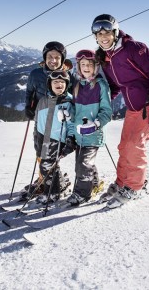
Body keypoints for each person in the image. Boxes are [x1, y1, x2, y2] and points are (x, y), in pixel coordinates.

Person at [91, 14, 149, 209]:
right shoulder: (106, 57)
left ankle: (136, 186)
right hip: (133, 106)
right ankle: (122, 183)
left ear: (115, 32)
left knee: (135, 145)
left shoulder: (134, 48)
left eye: (107, 32)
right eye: (99, 33)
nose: (103, 36)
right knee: (124, 146)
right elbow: (114, 86)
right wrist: (102, 104)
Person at [65, 49, 113, 206]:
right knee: (83, 162)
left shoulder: (101, 86)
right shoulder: (78, 85)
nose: (86, 67)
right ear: (78, 67)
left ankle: (82, 194)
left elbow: (107, 111)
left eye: (89, 64)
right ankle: (93, 184)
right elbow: (74, 109)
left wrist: (97, 124)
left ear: (96, 67)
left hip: (93, 134)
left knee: (83, 164)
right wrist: (68, 114)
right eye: (82, 64)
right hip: (80, 134)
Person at [21, 41, 68, 199]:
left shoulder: (68, 76)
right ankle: (45, 179)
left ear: (62, 59)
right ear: (44, 57)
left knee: (52, 152)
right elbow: (30, 91)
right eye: (50, 57)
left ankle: (50, 183)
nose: (53, 60)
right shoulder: (36, 74)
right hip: (40, 119)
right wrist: (28, 106)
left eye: (57, 57)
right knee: (40, 150)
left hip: (58, 121)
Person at [33, 70, 75, 204]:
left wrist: (71, 139)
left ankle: (52, 193)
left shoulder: (69, 101)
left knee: (47, 165)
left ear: (66, 85)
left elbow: (72, 123)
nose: (59, 84)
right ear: (50, 84)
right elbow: (37, 121)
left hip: (58, 138)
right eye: (55, 82)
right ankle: (55, 188)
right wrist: (36, 137)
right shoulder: (43, 101)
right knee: (46, 166)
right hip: (43, 138)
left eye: (62, 82)